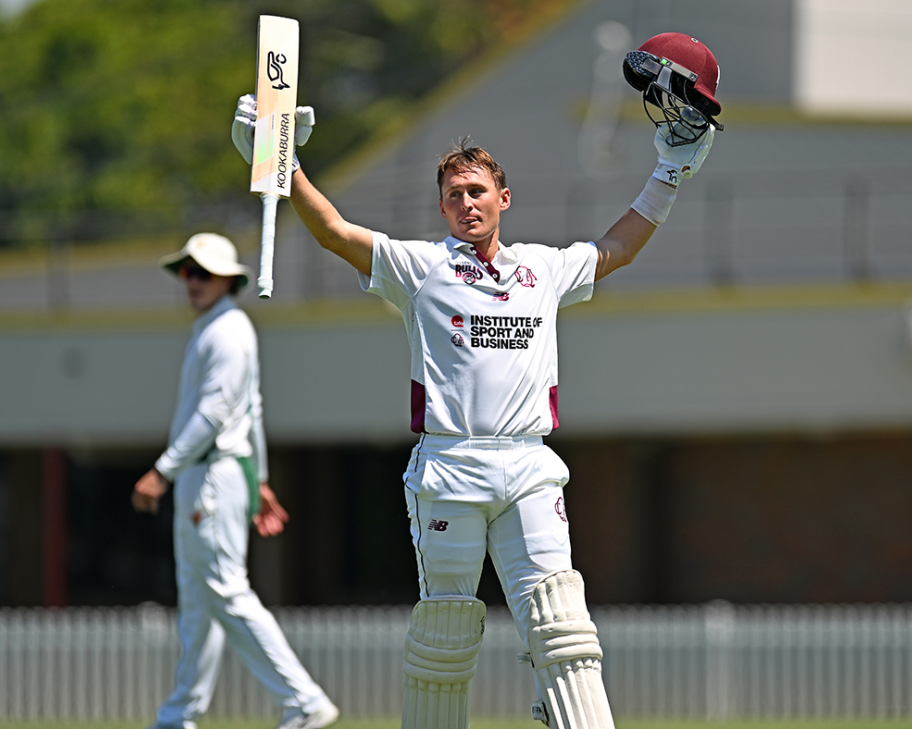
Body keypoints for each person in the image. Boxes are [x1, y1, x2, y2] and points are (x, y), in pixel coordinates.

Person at [233, 32, 722, 729]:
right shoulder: (419, 267)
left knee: (564, 631)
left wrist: (667, 175)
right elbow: (336, 231)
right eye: (454, 194)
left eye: (478, 191)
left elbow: (616, 246)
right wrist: (276, 160)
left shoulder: (541, 269)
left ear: (504, 198)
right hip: (449, 467)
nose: (466, 203)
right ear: (442, 207)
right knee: (446, 635)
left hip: (527, 465)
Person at [132, 232, 339, 729]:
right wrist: (260, 478)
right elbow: (251, 412)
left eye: (203, 273)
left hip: (208, 477)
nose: (194, 282)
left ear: (229, 279)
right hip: (210, 476)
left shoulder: (227, 331)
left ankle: (303, 701)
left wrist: (163, 471)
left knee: (224, 592)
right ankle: (179, 714)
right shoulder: (217, 329)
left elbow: (217, 411)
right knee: (200, 603)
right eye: (188, 272)